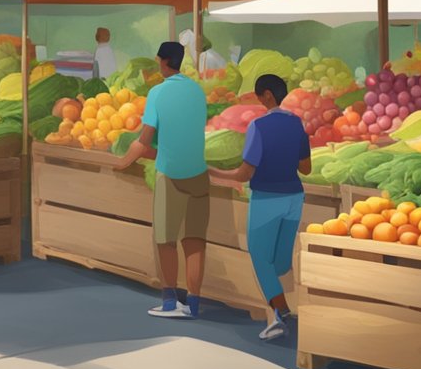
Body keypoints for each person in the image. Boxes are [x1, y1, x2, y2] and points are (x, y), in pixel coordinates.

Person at [211, 73, 312, 341]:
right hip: (294, 198)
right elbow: (306, 167)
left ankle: (281, 313)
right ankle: (282, 306)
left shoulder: (258, 126)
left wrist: (215, 172)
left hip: (267, 198)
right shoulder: (297, 123)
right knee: (280, 261)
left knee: (259, 256)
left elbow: (244, 174)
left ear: (266, 95)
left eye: (258, 96)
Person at [114, 41, 210, 319]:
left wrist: (121, 163)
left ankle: (169, 303)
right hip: (199, 174)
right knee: (194, 241)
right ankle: (193, 304)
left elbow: (143, 142)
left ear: (162, 61)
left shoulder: (157, 92)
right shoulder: (197, 90)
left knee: (165, 240)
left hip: (170, 174)